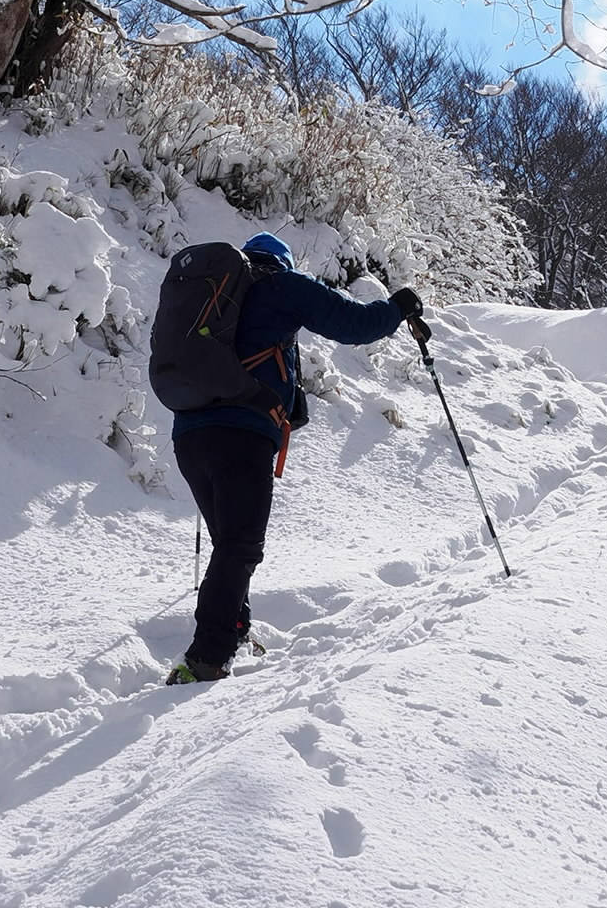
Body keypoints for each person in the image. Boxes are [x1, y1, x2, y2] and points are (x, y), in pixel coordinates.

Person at [166, 233, 427, 684]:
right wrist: (399, 306)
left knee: (230, 543)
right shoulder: (281, 286)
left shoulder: (216, 297)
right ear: (279, 263)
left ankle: (233, 629)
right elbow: (354, 324)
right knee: (241, 546)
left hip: (189, 434)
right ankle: (205, 659)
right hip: (242, 436)